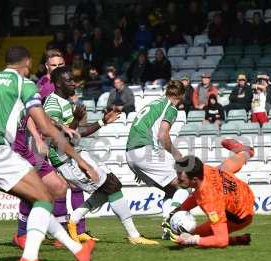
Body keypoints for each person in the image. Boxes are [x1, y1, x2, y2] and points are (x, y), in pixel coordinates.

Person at [0, 46, 97, 261]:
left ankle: (77, 249)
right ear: (27, 63)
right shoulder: (23, 84)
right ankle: (29, 259)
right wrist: (80, 159)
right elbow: (45, 126)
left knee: (40, 196)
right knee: (44, 197)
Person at [46, 67, 157, 245]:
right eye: (69, 81)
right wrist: (75, 120)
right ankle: (134, 236)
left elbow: (78, 132)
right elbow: (56, 138)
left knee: (110, 186)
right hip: (65, 159)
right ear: (58, 83)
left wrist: (102, 121)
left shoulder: (67, 102)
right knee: (111, 186)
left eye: (73, 79)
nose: (74, 83)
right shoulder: (52, 105)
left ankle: (73, 220)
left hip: (75, 153)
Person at [13, 48, 95, 249]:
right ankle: (25, 233)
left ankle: (76, 230)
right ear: (46, 67)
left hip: (56, 139)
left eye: (61, 64)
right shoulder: (41, 87)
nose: (58, 67)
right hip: (40, 141)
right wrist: (40, 139)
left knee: (67, 185)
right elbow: (33, 114)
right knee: (40, 185)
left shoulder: (64, 85)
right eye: (54, 65)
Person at [126, 80, 189, 236]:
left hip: (130, 153)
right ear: (180, 95)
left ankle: (167, 231)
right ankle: (172, 222)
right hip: (145, 150)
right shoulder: (171, 108)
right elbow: (162, 136)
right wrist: (176, 154)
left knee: (170, 189)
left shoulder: (154, 103)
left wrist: (138, 164)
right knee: (185, 183)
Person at [167, 139, 255, 248]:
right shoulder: (203, 169)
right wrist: (179, 210)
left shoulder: (210, 201)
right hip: (243, 191)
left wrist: (192, 240)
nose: (178, 180)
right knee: (223, 169)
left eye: (181, 179)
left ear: (194, 179)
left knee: (191, 236)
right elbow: (197, 195)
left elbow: (221, 241)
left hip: (241, 217)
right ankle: (246, 152)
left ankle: (236, 240)